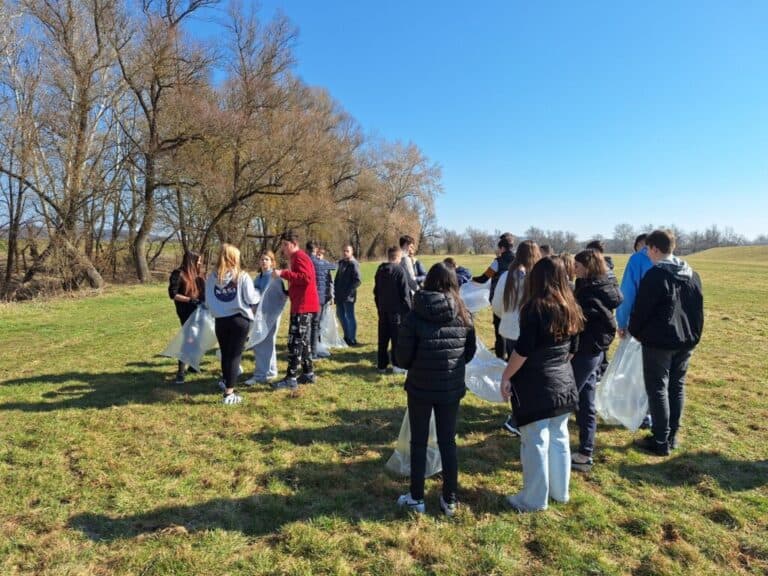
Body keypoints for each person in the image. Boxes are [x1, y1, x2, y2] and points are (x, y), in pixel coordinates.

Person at [501, 257, 584, 512]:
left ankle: (534, 499)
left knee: (535, 440)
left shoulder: (535, 308)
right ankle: (560, 491)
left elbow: (522, 350)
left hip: (537, 385)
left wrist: (506, 376)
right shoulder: (571, 307)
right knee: (559, 437)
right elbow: (573, 350)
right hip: (564, 382)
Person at [395, 262, 477, 515]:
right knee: (448, 441)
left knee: (418, 442)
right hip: (449, 387)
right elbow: (469, 353)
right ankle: (449, 498)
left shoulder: (415, 312)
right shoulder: (464, 313)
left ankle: (417, 496)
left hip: (421, 386)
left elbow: (401, 357)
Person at [629, 230, 704, 455]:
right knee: (676, 386)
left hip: (659, 342)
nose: (647, 255)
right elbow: (698, 311)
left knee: (658, 388)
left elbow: (642, 310)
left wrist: (636, 331)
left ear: (654, 249)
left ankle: (660, 440)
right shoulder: (692, 274)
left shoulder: (655, 276)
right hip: (686, 340)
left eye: (647, 250)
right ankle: (672, 435)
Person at [570, 249, 623, 472]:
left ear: (588, 267)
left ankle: (559, 446)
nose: (574, 269)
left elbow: (593, 321)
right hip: (595, 350)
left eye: (577, 265)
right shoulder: (601, 286)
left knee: (568, 397)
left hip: (586, 350)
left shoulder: (589, 292)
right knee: (586, 401)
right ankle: (585, 452)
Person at [491, 240, 541, 435]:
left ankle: (519, 415)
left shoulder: (507, 276)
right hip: (533, 333)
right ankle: (521, 418)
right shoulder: (539, 276)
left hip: (512, 332)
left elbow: (496, 304)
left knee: (515, 375)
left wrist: (508, 317)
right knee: (530, 374)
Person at [205, 244, 260, 405]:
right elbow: (251, 298)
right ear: (233, 258)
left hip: (220, 320)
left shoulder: (212, 278)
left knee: (225, 354)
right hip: (239, 319)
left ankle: (225, 380)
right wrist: (258, 294)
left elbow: (208, 301)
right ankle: (229, 393)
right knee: (235, 355)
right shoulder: (242, 276)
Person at [271, 230, 320, 391]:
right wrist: (287, 292)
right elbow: (298, 279)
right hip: (300, 304)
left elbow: (306, 278)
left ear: (294, 244)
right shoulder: (295, 258)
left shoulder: (300, 257)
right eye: (283, 245)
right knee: (303, 341)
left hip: (304, 306)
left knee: (295, 341)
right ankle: (308, 373)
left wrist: (283, 274)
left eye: (286, 245)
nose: (283, 248)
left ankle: (291, 378)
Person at [616, 233, 655, 428]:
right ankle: (655, 413)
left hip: (639, 324)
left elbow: (628, 293)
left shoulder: (637, 260)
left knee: (635, 370)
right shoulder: (675, 262)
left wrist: (622, 322)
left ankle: (637, 411)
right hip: (665, 327)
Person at [472, 232, 516, 359]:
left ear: (502, 248)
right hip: (515, 300)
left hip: (499, 300)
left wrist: (471, 280)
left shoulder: (497, 262)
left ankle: (500, 357)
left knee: (499, 331)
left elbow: (483, 278)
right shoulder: (519, 261)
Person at [167, 251, 206, 384]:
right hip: (186, 311)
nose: (200, 263)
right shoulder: (178, 274)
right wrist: (190, 300)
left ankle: (193, 365)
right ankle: (180, 372)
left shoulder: (199, 275)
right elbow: (173, 294)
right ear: (191, 261)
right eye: (198, 261)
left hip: (200, 311)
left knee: (198, 338)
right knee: (188, 340)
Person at [245, 251, 283, 386]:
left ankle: (260, 375)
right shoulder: (259, 277)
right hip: (260, 316)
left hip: (269, 315)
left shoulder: (274, 277)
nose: (263, 262)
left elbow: (278, 297)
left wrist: (261, 308)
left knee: (261, 344)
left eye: (267, 259)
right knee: (266, 344)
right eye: (262, 259)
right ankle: (271, 371)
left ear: (273, 262)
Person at [374, 246, 412, 374]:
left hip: (383, 310)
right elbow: (405, 294)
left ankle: (381, 365)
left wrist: (379, 307)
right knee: (397, 340)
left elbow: (376, 292)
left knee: (383, 339)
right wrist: (409, 311)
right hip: (397, 312)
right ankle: (397, 365)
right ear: (398, 257)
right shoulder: (400, 271)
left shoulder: (380, 270)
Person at [306, 241, 337, 359]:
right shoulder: (321, 263)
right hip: (320, 298)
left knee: (309, 325)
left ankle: (309, 349)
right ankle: (313, 352)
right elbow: (334, 266)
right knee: (315, 325)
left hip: (309, 298)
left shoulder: (305, 261)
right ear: (315, 250)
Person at [334, 244, 362, 346]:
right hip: (339, 295)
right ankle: (346, 336)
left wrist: (349, 291)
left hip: (348, 296)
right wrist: (335, 292)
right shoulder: (341, 263)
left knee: (350, 316)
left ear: (352, 252)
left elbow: (358, 280)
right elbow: (337, 278)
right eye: (344, 251)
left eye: (347, 251)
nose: (345, 253)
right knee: (340, 315)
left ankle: (352, 338)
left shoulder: (354, 264)